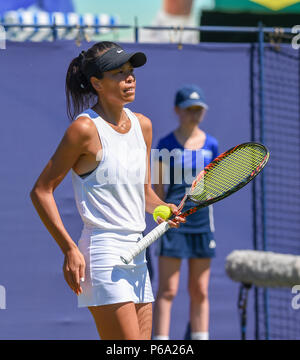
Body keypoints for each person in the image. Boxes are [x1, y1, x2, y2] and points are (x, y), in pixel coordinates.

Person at [30, 41, 185, 340]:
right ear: (96, 83)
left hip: (138, 254)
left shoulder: (144, 125)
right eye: (119, 73)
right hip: (103, 256)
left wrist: (163, 209)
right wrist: (69, 249)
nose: (129, 78)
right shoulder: (84, 130)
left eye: (131, 72)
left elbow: (144, 194)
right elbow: (41, 191)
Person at [152, 84, 219, 340]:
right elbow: (158, 189)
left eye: (199, 110)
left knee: (200, 290)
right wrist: (161, 216)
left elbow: (215, 184)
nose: (195, 114)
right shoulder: (164, 144)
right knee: (167, 289)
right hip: (174, 223)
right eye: (190, 109)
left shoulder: (211, 144)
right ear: (177, 111)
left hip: (202, 221)